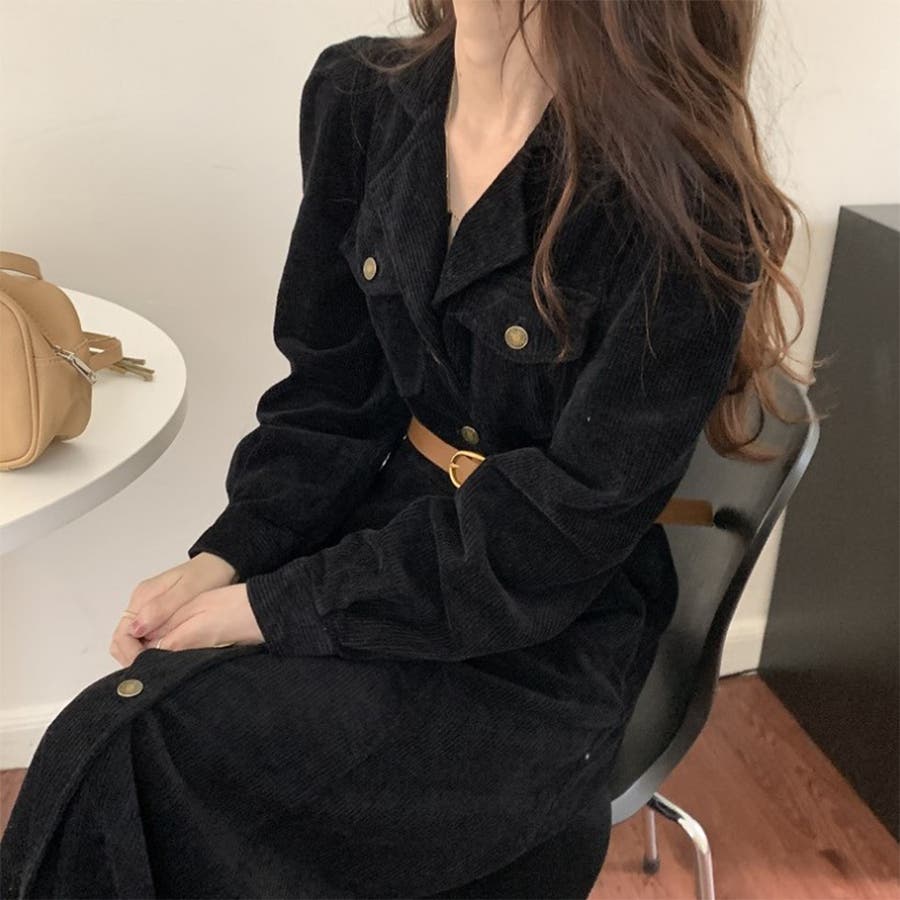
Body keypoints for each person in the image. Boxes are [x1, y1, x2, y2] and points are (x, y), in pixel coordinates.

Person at [0, 1, 808, 897]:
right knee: (116, 740)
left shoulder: (680, 192)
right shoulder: (360, 99)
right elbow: (332, 398)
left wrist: (277, 605)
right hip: (380, 540)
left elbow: (560, 530)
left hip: (545, 630)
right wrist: (231, 556)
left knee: (140, 756)